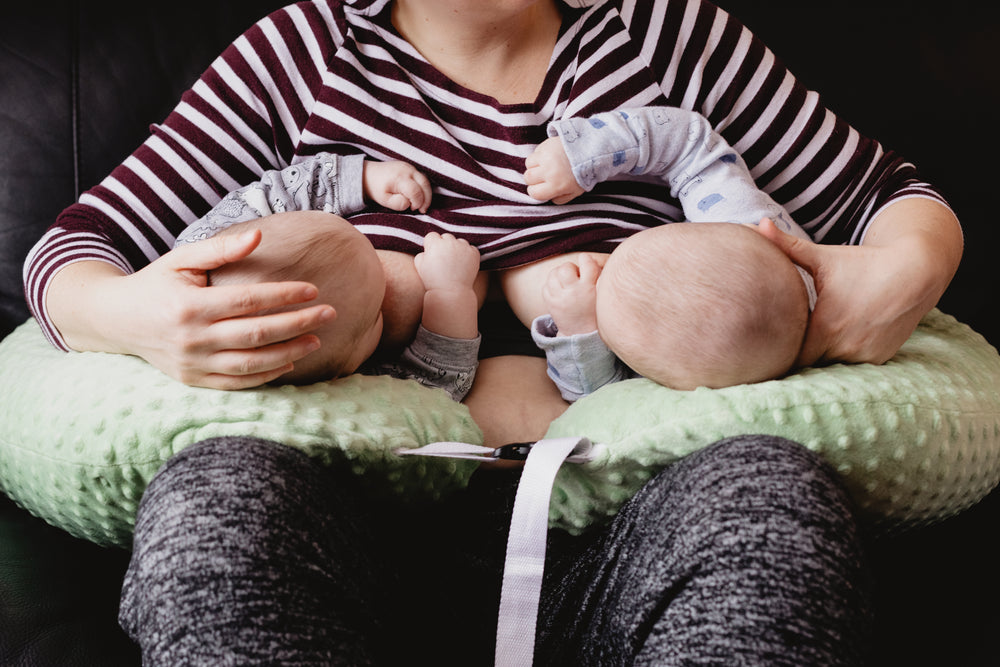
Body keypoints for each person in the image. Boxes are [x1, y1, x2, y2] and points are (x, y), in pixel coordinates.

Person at [23, 0, 963, 664]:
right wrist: (145, 317)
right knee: (217, 501)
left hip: (638, 523)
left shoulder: (668, 37)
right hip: (352, 524)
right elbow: (75, 251)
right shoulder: (300, 55)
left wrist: (901, 275)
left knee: (766, 498)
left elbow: (889, 199)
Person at [521, 105, 815, 398]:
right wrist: (584, 152)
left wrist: (579, 330)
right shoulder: (743, 222)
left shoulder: (669, 384)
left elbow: (595, 397)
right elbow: (688, 139)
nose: (599, 266)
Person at [176, 153, 483, 398]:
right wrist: (450, 294)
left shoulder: (196, 251)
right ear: (346, 368)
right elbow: (432, 389)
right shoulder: (352, 391)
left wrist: (360, 179)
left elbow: (274, 194)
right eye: (378, 312)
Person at [532, 221, 811, 399]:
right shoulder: (771, 295)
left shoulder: (649, 394)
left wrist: (578, 328)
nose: (598, 272)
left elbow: (592, 397)